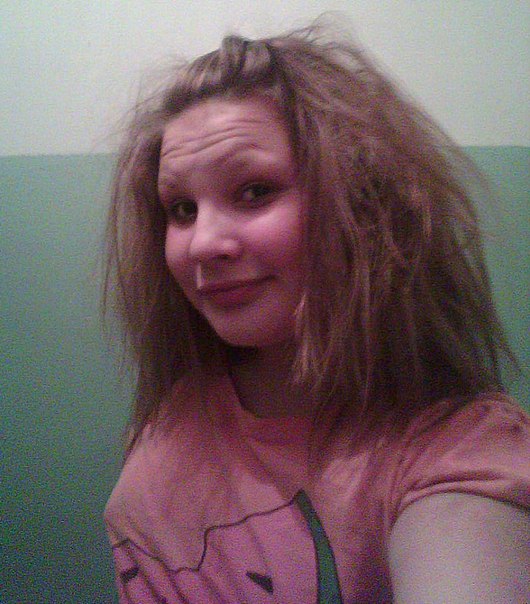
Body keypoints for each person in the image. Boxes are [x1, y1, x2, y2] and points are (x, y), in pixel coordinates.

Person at [103, 24, 530, 603]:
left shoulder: (452, 451)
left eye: (254, 191)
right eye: (181, 208)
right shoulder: (177, 413)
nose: (201, 243)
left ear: (361, 202)